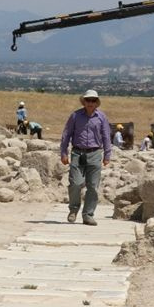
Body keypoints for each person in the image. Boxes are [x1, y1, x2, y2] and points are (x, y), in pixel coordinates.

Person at [59, 89, 112, 226]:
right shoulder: (75, 116)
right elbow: (66, 135)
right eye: (88, 100)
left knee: (93, 186)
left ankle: (88, 215)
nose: (90, 103)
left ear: (96, 103)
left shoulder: (101, 117)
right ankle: (73, 210)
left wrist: (107, 154)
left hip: (95, 154)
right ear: (84, 102)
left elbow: (106, 136)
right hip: (77, 153)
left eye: (93, 100)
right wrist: (63, 153)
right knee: (75, 183)